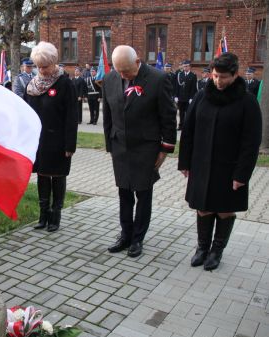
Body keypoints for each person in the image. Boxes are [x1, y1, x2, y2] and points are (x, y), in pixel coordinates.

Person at [178, 52, 262, 271]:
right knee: (203, 208)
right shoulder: (201, 96)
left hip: (230, 169)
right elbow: (188, 131)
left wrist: (242, 175)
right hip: (201, 165)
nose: (218, 81)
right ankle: (202, 248)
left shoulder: (247, 102)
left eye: (223, 77)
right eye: (215, 76)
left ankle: (217, 251)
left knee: (224, 209)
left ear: (235, 75)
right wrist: (184, 162)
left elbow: (251, 143)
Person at [103, 45, 177, 257]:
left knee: (143, 194)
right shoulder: (109, 79)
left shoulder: (158, 79)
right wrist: (110, 145)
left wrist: (165, 148)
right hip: (120, 147)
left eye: (127, 70)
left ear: (138, 62)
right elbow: (108, 115)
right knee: (124, 192)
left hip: (146, 147)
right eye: (120, 71)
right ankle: (125, 235)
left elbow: (168, 116)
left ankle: (138, 239)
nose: (123, 75)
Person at [24, 41, 78, 232]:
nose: (41, 70)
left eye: (45, 66)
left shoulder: (65, 84)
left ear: (54, 62)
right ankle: (43, 215)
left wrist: (70, 145)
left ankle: (55, 216)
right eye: (38, 66)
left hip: (59, 142)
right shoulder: (32, 86)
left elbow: (72, 117)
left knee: (58, 177)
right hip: (39, 142)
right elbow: (25, 114)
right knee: (43, 176)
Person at [175, 60, 197, 130]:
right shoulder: (179, 74)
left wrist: (191, 97)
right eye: (184, 66)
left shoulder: (193, 75)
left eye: (186, 66)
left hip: (188, 98)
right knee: (181, 112)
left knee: (188, 113)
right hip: (181, 97)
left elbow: (193, 88)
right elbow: (177, 86)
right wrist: (176, 96)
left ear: (189, 67)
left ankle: (187, 126)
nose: (185, 67)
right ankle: (181, 125)